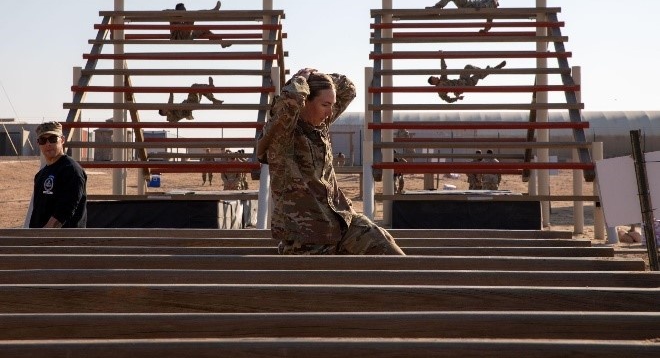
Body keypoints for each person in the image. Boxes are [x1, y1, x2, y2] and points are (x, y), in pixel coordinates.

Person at [257, 67, 405, 255]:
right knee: (329, 279)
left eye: (332, 105)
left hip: (340, 221)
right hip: (307, 235)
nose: (330, 112)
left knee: (384, 244)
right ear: (305, 102)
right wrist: (301, 79)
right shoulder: (282, 134)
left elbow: (348, 88)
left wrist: (318, 78)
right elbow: (288, 104)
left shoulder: (320, 123)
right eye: (325, 105)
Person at [29, 121, 87, 228]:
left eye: (52, 139)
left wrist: (43, 236)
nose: (48, 144)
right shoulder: (40, 175)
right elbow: (37, 212)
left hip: (63, 241)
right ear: (38, 143)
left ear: (62, 140)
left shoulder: (72, 170)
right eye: (43, 140)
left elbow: (64, 212)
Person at [428, 55, 506, 103]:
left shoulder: (442, 79)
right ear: (433, 82)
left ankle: (485, 71)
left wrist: (442, 57)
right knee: (478, 76)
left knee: (468, 67)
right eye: (434, 78)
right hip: (465, 85)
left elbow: (443, 69)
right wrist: (457, 98)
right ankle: (493, 69)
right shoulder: (440, 90)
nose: (435, 77)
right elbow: (447, 100)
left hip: (461, 80)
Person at [426, 0, 501, 32]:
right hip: (468, 7)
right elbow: (490, 21)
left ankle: (437, 7)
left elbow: (492, 2)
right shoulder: (492, 10)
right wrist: (485, 30)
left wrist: (482, 6)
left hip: (467, 5)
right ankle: (437, 8)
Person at [158, 76, 224, 122]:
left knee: (196, 88)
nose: (165, 107)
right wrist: (171, 93)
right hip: (188, 107)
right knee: (194, 87)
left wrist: (171, 92)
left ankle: (213, 98)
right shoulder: (170, 117)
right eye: (164, 109)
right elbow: (170, 105)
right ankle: (210, 89)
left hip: (189, 102)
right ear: (164, 113)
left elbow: (170, 103)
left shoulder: (170, 109)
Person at [168, 1, 232, 48]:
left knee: (204, 30)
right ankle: (213, 11)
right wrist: (172, 11)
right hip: (177, 37)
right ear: (178, 10)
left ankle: (221, 42)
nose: (185, 11)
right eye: (183, 9)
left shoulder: (185, 18)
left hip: (187, 35)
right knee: (193, 15)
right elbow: (164, 12)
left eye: (185, 9)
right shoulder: (173, 15)